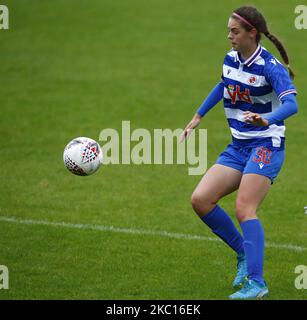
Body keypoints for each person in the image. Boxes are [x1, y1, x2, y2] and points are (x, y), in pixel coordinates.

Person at [180, 6, 298, 299]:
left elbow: (292, 104)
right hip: (239, 146)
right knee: (201, 200)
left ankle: (257, 284)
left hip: (265, 145)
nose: (229, 36)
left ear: (251, 34)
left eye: (234, 31)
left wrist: (266, 119)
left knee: (245, 208)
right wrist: (198, 116)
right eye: (229, 30)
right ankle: (244, 255)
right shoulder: (231, 59)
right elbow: (224, 85)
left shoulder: (269, 66)